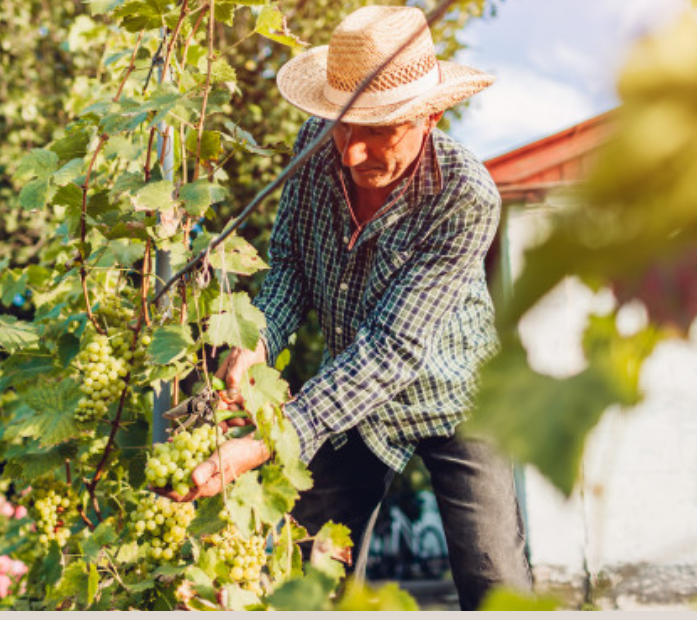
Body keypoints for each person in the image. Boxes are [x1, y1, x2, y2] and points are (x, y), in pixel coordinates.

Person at [163, 5, 533, 610]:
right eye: (342, 125)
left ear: (430, 116)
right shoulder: (317, 152)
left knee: (497, 581)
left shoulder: (466, 196)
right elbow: (289, 268)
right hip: (353, 399)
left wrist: (273, 437)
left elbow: (394, 351)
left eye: (377, 131)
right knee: (310, 577)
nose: (352, 153)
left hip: (457, 396)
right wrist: (259, 342)